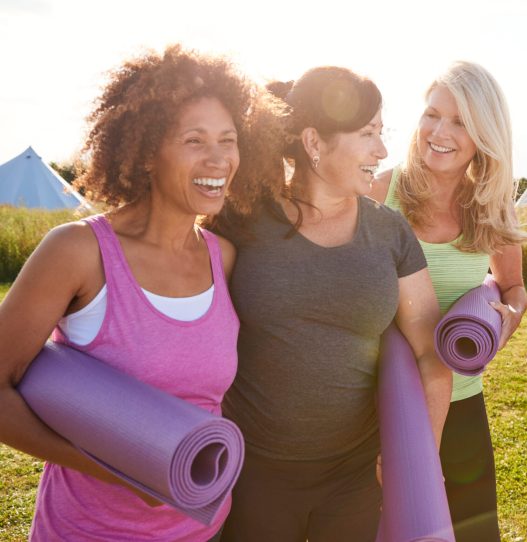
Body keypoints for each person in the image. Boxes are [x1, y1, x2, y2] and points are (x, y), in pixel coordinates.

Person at [0, 45, 285, 541]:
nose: (218, 158)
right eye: (194, 140)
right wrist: (126, 467)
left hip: (203, 528)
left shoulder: (225, 258)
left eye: (229, 140)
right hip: (89, 530)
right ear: (149, 151)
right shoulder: (78, 251)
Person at [217, 66, 452, 542]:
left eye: (382, 134)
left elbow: (431, 354)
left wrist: (418, 456)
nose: (382, 151)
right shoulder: (239, 221)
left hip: (355, 476)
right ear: (313, 142)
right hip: (252, 470)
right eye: (368, 134)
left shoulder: (388, 231)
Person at [371, 61, 527, 542]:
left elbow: (514, 288)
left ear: (483, 133)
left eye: (459, 121)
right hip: (377, 403)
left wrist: (507, 319)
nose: (439, 132)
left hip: (460, 402)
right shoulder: (381, 191)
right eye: (432, 114)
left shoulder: (492, 205)